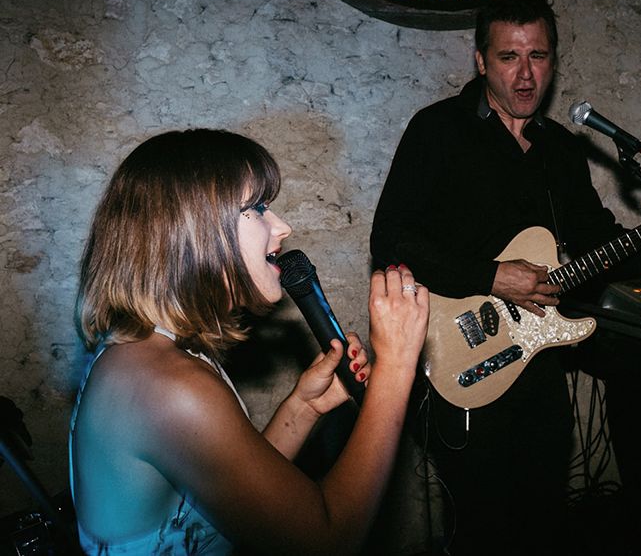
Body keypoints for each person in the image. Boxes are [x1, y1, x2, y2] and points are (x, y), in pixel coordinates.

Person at [370, 0, 641, 555]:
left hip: (538, 362)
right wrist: (489, 276)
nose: (526, 73)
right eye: (509, 56)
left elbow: (599, 245)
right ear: (481, 60)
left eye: (539, 56)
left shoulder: (559, 148)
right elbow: (390, 237)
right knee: (483, 529)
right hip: (458, 359)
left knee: (541, 523)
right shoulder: (437, 130)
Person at [69, 129, 429, 555]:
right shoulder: (166, 386)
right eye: (257, 209)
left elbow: (228, 494)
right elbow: (328, 538)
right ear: (194, 233)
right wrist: (398, 363)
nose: (282, 227)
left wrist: (303, 407)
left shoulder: (154, 348)